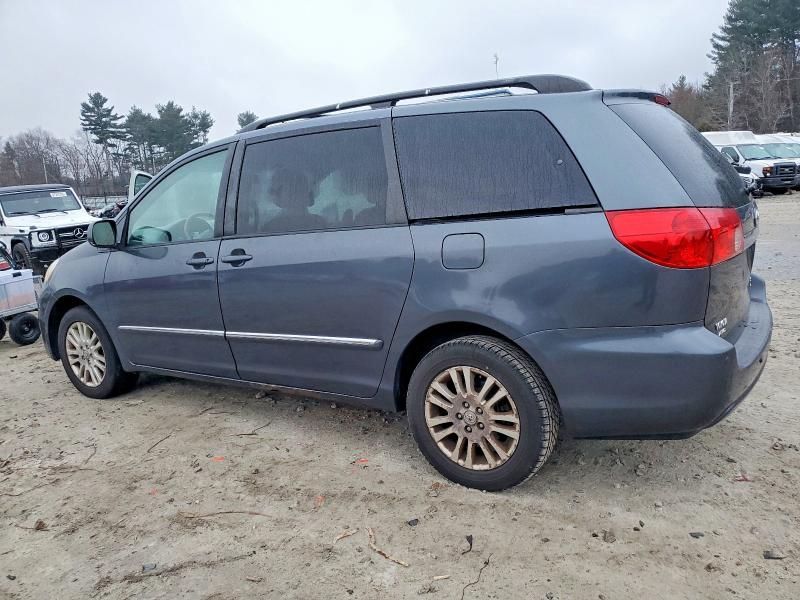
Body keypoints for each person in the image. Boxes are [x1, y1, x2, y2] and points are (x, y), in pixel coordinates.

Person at [264, 166, 327, 232]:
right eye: (292, 191)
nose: (296, 195)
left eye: (300, 189)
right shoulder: (322, 225)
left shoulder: (270, 228)